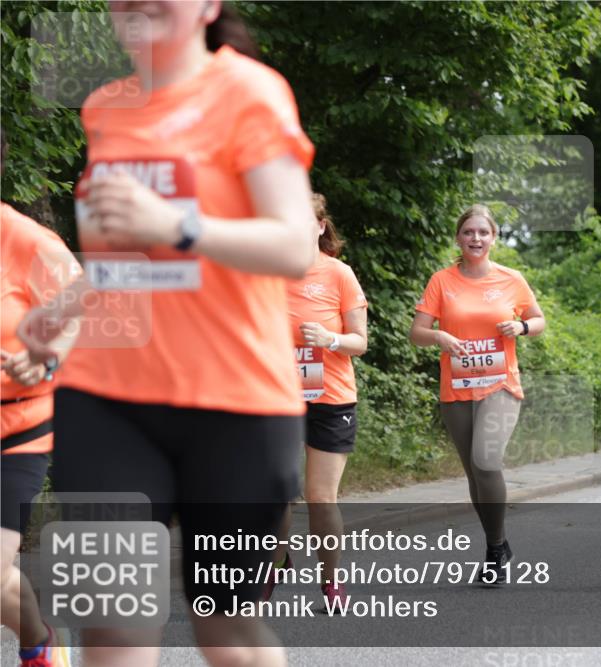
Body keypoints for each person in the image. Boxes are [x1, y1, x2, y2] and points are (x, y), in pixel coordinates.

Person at [17, 3, 316, 665]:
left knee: (225, 632)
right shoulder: (105, 108)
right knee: (113, 627)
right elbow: (126, 250)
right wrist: (66, 304)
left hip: (236, 404)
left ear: (209, 6)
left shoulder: (251, 93)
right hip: (108, 400)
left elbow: (294, 243)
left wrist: (176, 223)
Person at [409, 204, 545, 584]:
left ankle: (496, 545)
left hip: (500, 384)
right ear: (458, 238)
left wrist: (520, 326)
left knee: (486, 462)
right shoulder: (442, 281)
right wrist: (440, 336)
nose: (475, 239)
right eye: (468, 232)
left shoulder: (511, 279)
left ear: (494, 238)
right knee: (473, 472)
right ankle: (495, 546)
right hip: (457, 387)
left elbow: (539, 320)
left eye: (483, 233)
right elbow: (416, 333)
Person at [266, 194, 367, 609]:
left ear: (320, 226)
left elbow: (360, 342)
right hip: (276, 397)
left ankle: (330, 580)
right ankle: (273, 565)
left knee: (320, 496)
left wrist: (331, 339)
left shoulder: (339, 274)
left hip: (330, 397)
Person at [2, 177, 78, 666]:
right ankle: (38, 641)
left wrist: (46, 357)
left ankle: (39, 645)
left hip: (18, 428)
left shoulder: (26, 240)